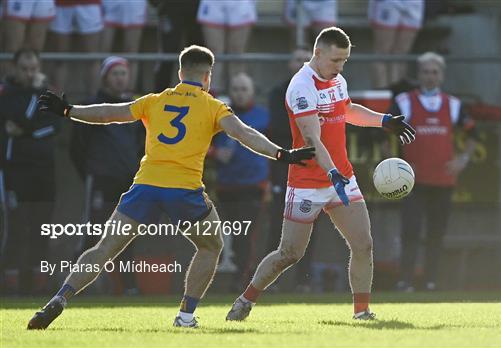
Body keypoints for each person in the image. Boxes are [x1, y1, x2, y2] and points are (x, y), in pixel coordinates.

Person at [27, 45, 315, 330]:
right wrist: (282, 154)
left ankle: (59, 298)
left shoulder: (155, 100)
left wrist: (68, 110)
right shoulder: (212, 105)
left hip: (146, 186)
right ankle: (186, 316)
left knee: (104, 249)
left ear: (180, 73)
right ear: (207, 77)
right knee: (211, 245)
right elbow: (244, 133)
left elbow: (108, 114)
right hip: (184, 190)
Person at [226, 27, 415, 322]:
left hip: (342, 177)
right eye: (336, 60)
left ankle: (362, 312)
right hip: (307, 183)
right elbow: (313, 140)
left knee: (363, 244)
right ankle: (245, 300)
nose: (340, 68)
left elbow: (348, 109)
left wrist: (384, 121)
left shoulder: (336, 79)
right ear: (318, 53)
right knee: (289, 253)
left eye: (344, 61)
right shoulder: (301, 87)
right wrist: (332, 173)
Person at [390, 52, 478, 292]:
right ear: (419, 75)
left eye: (435, 72)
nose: (430, 76)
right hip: (412, 182)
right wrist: (399, 163)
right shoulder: (404, 101)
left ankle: (431, 281)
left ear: (442, 76)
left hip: (443, 180)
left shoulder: (454, 104)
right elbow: (387, 133)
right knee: (410, 231)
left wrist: (463, 159)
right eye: (426, 72)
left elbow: (473, 133)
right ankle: (405, 281)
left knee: (436, 234)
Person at [70, 56, 144, 295]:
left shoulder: (135, 108)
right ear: (104, 77)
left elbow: (140, 145)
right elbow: (77, 148)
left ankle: (128, 286)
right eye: (115, 73)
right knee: (92, 232)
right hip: (101, 180)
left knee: (127, 234)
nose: (120, 78)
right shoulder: (91, 107)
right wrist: (92, 172)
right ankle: (74, 285)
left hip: (128, 181)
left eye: (124, 73)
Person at [0, 49, 61, 295]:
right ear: (14, 68)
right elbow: (12, 118)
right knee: (14, 228)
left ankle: (38, 285)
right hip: (15, 170)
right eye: (24, 69)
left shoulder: (48, 93)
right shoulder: (6, 93)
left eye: (33, 68)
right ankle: (10, 285)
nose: (29, 73)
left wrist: (26, 132)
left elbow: (54, 126)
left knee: (42, 228)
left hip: (44, 170)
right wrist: (35, 100)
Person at [267, 47, 318, 291]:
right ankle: (271, 281)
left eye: (303, 60)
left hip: (313, 167)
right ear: (289, 64)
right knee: (277, 223)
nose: (300, 64)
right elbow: (278, 128)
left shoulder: (321, 90)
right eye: (296, 59)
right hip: (286, 165)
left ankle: (303, 281)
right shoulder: (278, 92)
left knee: (309, 224)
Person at [213, 73, 269, 291]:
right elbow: (200, 143)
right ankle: (238, 275)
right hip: (226, 186)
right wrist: (215, 152)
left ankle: (243, 279)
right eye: (236, 88)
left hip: (253, 185)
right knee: (233, 234)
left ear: (252, 92)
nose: (240, 93)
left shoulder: (264, 117)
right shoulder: (220, 116)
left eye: (244, 88)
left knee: (247, 234)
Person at [197, 0, 257, 94]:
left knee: (237, 53)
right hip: (214, 4)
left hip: (240, 4)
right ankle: (211, 96)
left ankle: (237, 97)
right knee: (213, 53)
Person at [49, 0, 104, 94]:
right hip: (61, 4)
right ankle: (58, 102)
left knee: (93, 57)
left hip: (89, 4)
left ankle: (94, 102)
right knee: (60, 58)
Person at [368, 0, 425, 88]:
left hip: (413, 4)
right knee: (382, 53)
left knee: (401, 54)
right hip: (389, 3)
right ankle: (381, 93)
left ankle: (397, 92)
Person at [150, 0, 203, 92]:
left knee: (195, 53)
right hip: (169, 7)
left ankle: (194, 93)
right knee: (167, 52)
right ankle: (160, 94)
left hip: (196, 8)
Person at [100, 0, 147, 91]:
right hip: (109, 3)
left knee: (132, 52)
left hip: (133, 3)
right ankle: (102, 94)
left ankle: (129, 95)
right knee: (102, 52)